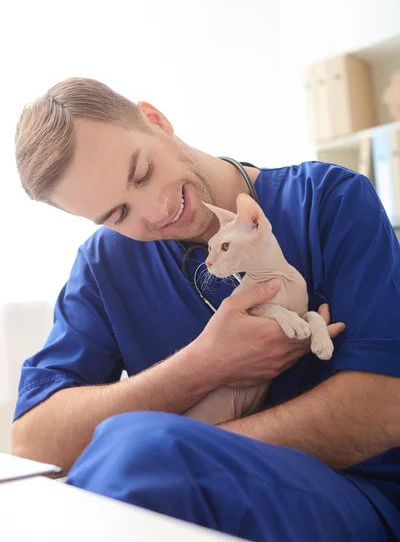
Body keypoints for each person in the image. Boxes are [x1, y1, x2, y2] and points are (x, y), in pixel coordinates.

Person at [12, 78, 400, 542]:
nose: (155, 212)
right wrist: (203, 365)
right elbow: (32, 444)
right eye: (118, 215)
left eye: (142, 172)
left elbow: (385, 406)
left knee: (134, 446)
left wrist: (185, 453)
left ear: (155, 120)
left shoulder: (328, 200)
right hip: (176, 506)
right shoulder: (103, 265)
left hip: (356, 500)